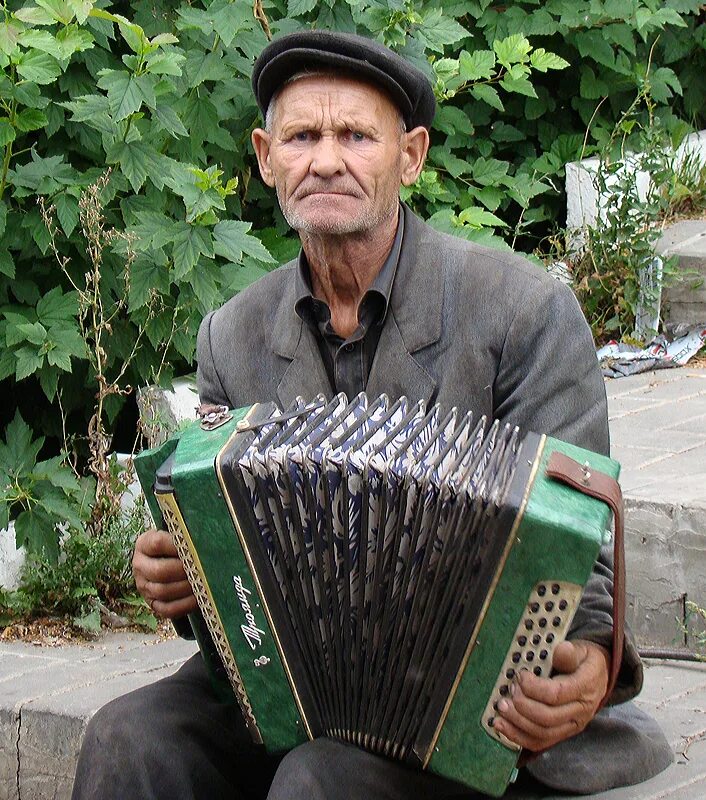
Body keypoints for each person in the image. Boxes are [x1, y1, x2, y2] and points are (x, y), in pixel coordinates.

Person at [72, 31, 672, 800]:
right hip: (290, 680)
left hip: (463, 696)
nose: (326, 160)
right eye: (302, 137)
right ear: (265, 156)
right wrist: (181, 566)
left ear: (410, 156)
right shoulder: (234, 332)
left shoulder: (524, 312)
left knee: (320, 782)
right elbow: (222, 541)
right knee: (126, 739)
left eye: (356, 136)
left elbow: (579, 543)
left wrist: (590, 659)